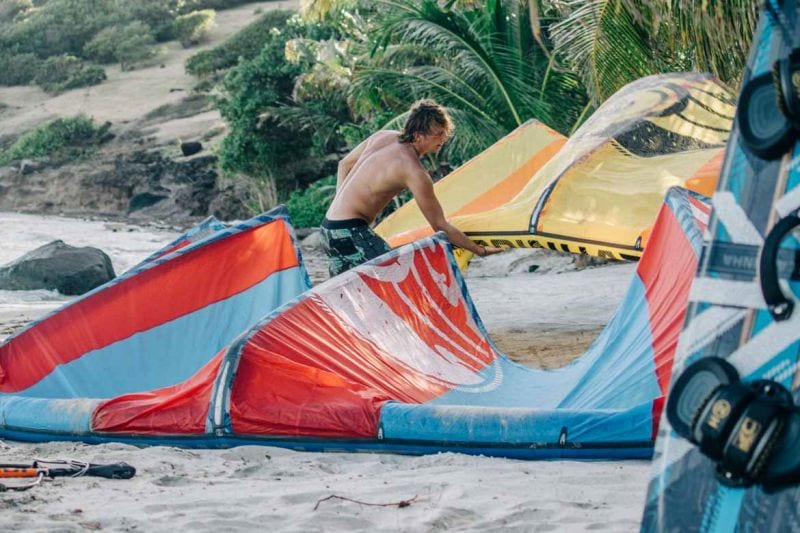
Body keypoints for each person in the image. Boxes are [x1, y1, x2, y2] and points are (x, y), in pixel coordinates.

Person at [320, 99, 506, 277]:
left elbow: (343, 165)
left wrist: (340, 205)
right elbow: (439, 225)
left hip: (328, 228)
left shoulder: (381, 137)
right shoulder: (414, 171)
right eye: (438, 134)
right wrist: (479, 250)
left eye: (445, 133)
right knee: (401, 282)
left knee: (351, 297)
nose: (443, 139)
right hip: (351, 232)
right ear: (418, 135)